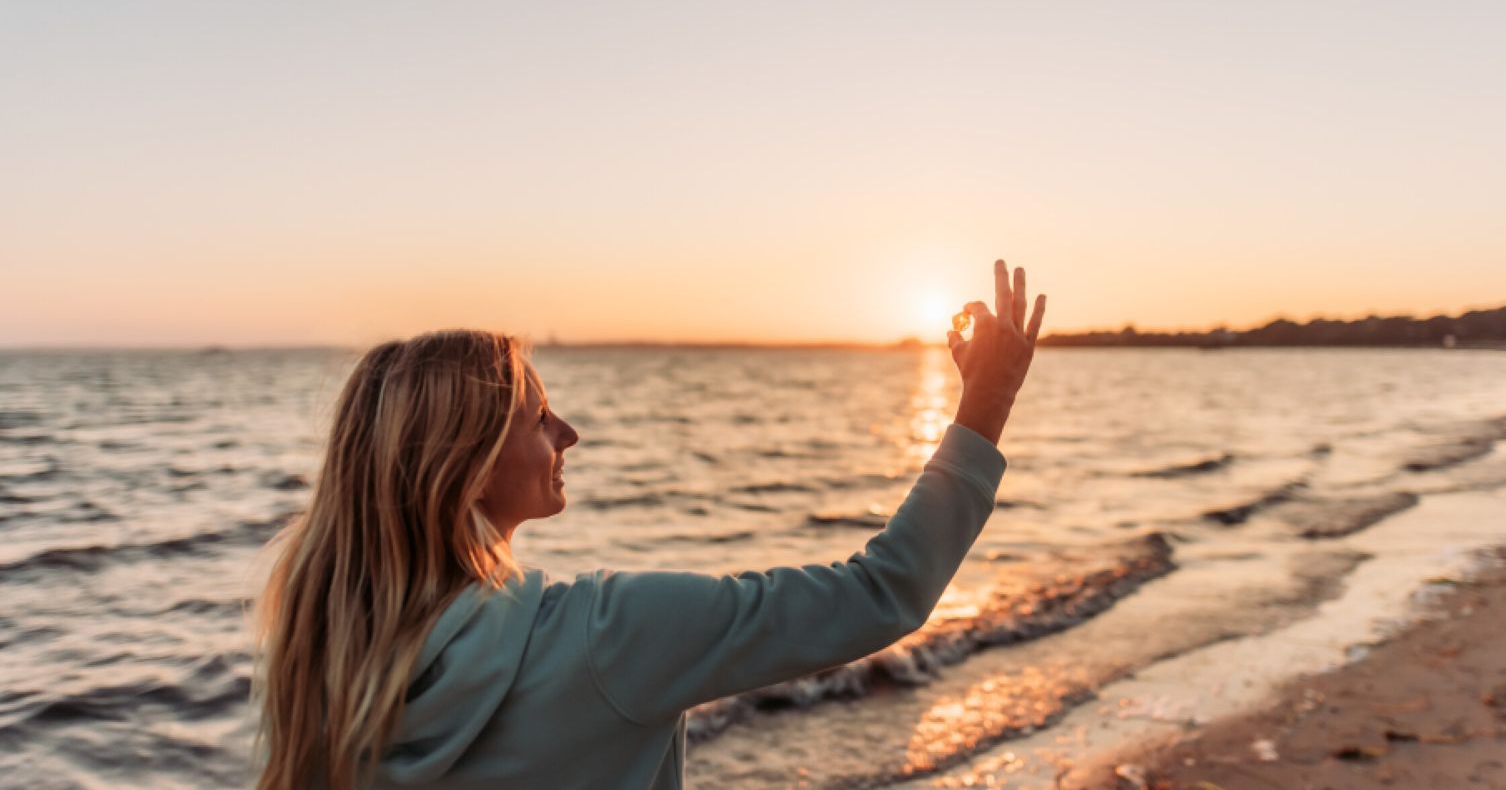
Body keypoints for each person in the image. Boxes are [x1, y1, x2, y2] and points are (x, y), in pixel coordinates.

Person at [252, 260, 1048, 789]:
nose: (568, 435)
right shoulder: (608, 638)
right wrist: (986, 408)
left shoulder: (322, 662)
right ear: (471, 462)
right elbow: (879, 593)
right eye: (538, 417)